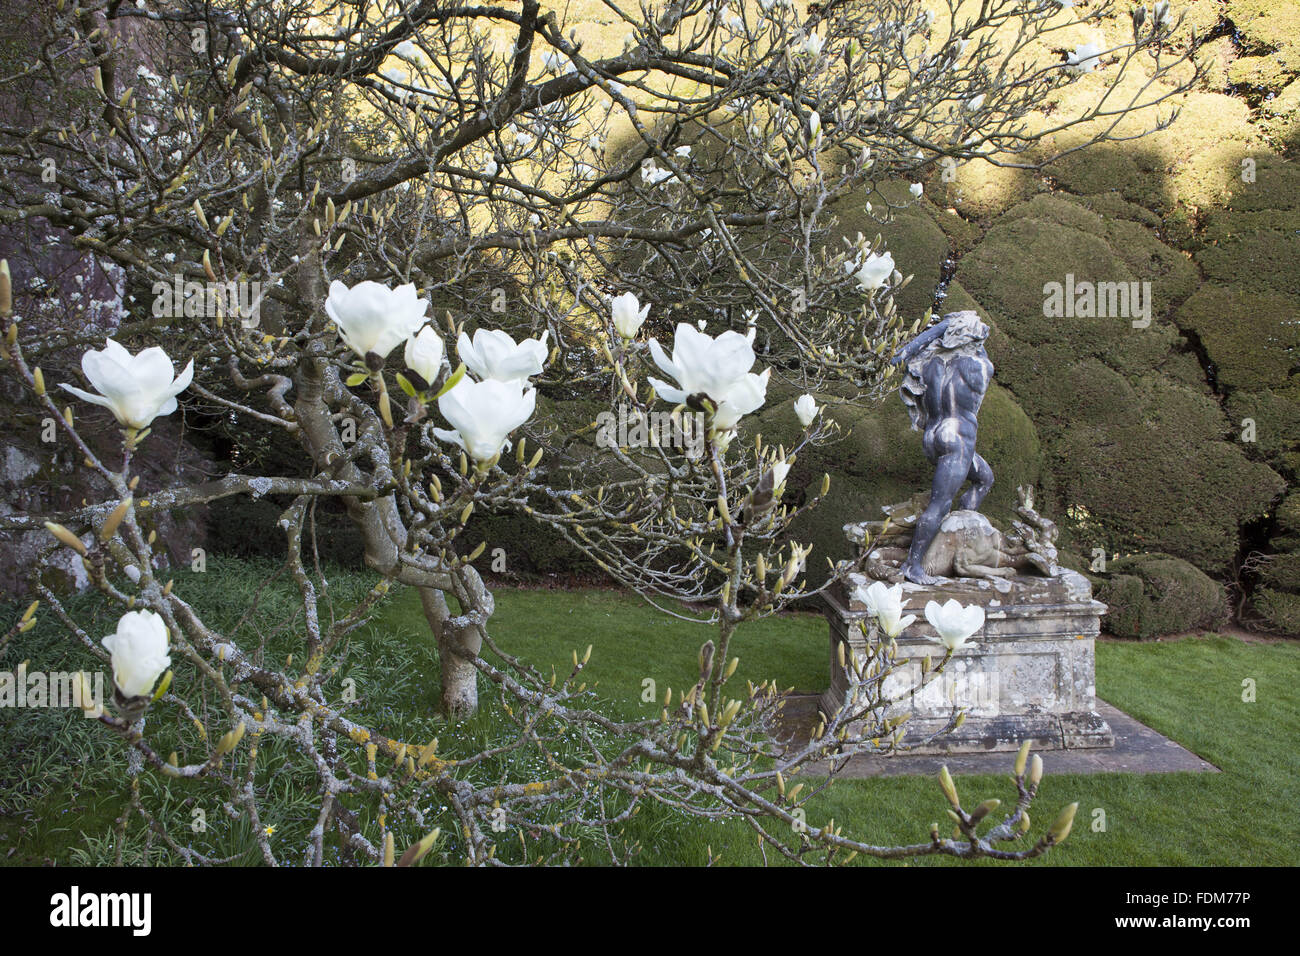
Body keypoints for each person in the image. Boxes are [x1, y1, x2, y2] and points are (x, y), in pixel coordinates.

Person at [889, 310, 994, 585]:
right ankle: (913, 566)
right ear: (970, 335)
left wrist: (940, 330)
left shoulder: (930, 362)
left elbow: (900, 355)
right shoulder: (981, 366)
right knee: (939, 504)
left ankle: (957, 530)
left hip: (933, 435)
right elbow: (979, 345)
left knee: (984, 478)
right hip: (958, 436)